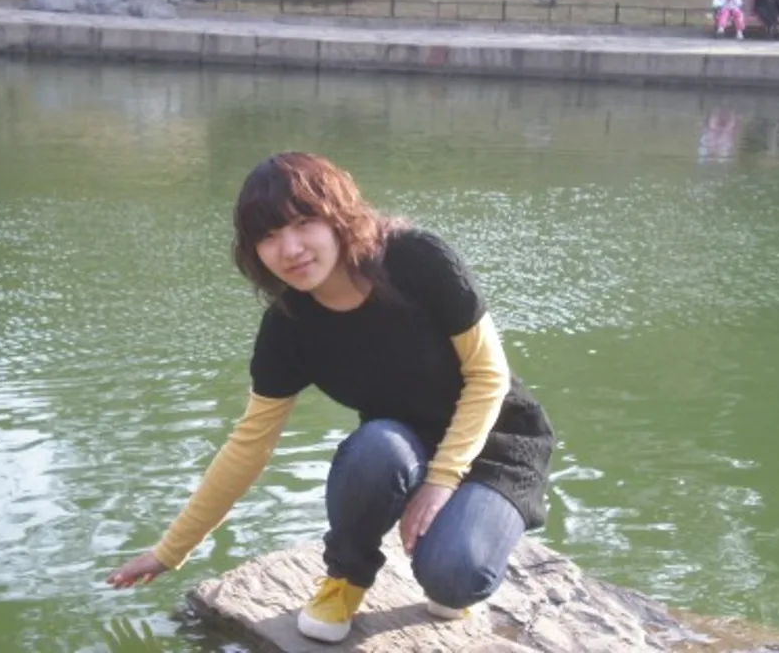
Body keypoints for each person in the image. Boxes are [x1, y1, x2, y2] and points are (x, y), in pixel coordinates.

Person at [105, 152, 556, 645]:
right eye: (268, 236)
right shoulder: (289, 326)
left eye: (304, 223)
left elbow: (488, 376)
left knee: (453, 580)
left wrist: (442, 480)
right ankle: (346, 578)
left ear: (340, 216)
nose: (290, 249)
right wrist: (170, 552)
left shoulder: (417, 259)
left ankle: (472, 538)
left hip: (498, 443)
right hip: (401, 446)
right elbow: (248, 446)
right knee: (374, 447)